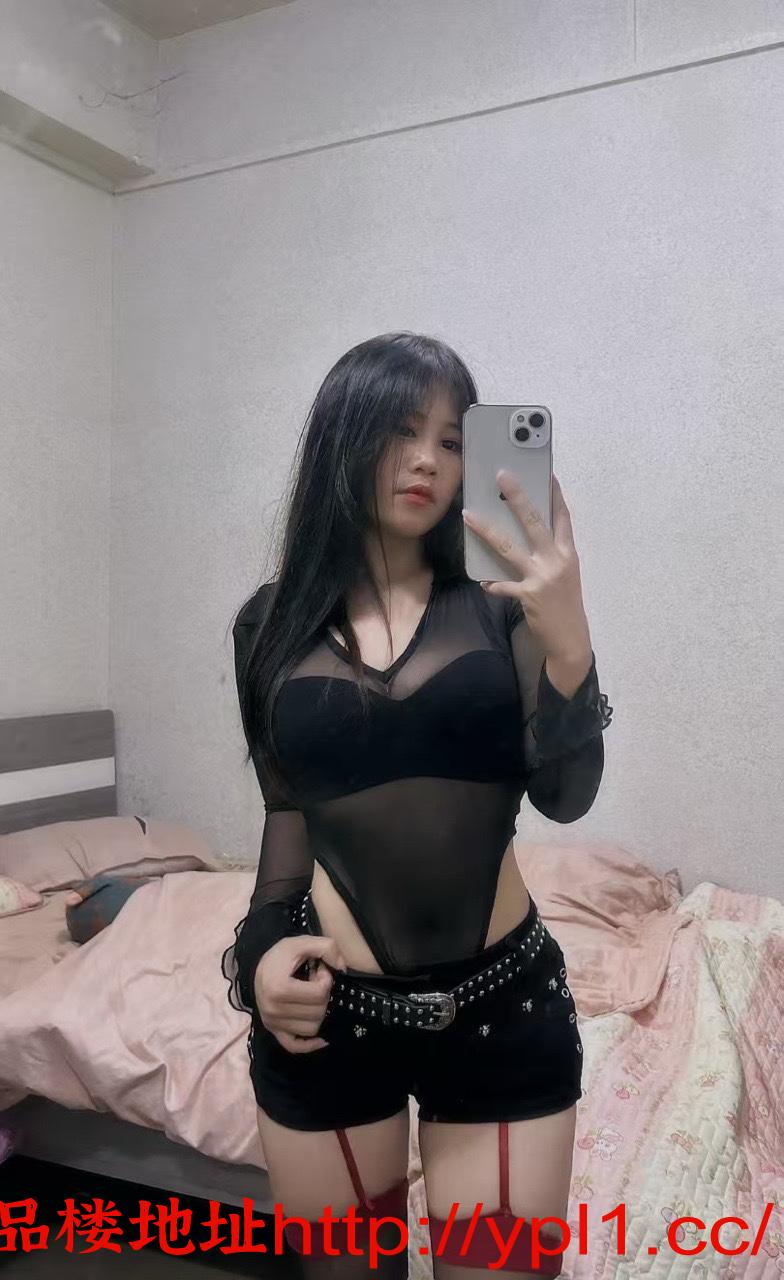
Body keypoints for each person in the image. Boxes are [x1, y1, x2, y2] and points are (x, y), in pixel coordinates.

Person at [221, 332, 613, 1279]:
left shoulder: (502, 609)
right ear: (342, 438)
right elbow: (286, 816)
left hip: (501, 1007)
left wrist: (570, 646)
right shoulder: (268, 625)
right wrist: (263, 950)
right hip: (330, 1019)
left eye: (450, 439)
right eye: (401, 431)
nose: (429, 460)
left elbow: (566, 798)